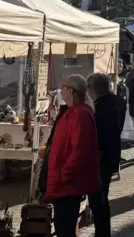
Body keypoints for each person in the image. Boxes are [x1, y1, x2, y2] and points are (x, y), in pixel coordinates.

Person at [44, 75, 100, 237]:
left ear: (70, 90)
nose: (60, 89)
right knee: (63, 227)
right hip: (64, 183)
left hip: (68, 184)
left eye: (63, 86)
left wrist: (64, 174)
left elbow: (79, 150)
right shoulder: (72, 112)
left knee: (65, 229)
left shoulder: (80, 114)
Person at [85, 73, 119, 237]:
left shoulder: (99, 109)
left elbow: (99, 137)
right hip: (109, 158)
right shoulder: (114, 103)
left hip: (101, 160)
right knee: (102, 199)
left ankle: (102, 233)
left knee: (99, 201)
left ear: (93, 91)